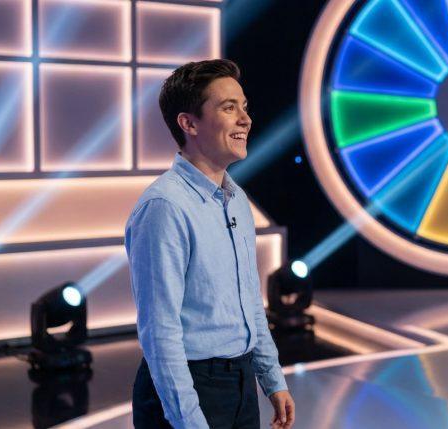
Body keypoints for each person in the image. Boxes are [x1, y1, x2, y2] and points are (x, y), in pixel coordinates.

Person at [125, 59, 295, 429]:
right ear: (188, 123)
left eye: (244, 107)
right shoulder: (164, 207)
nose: (245, 119)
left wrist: (271, 378)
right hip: (186, 389)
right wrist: (188, 420)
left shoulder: (237, 199)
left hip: (240, 382)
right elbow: (160, 331)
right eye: (228, 107)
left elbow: (250, 300)